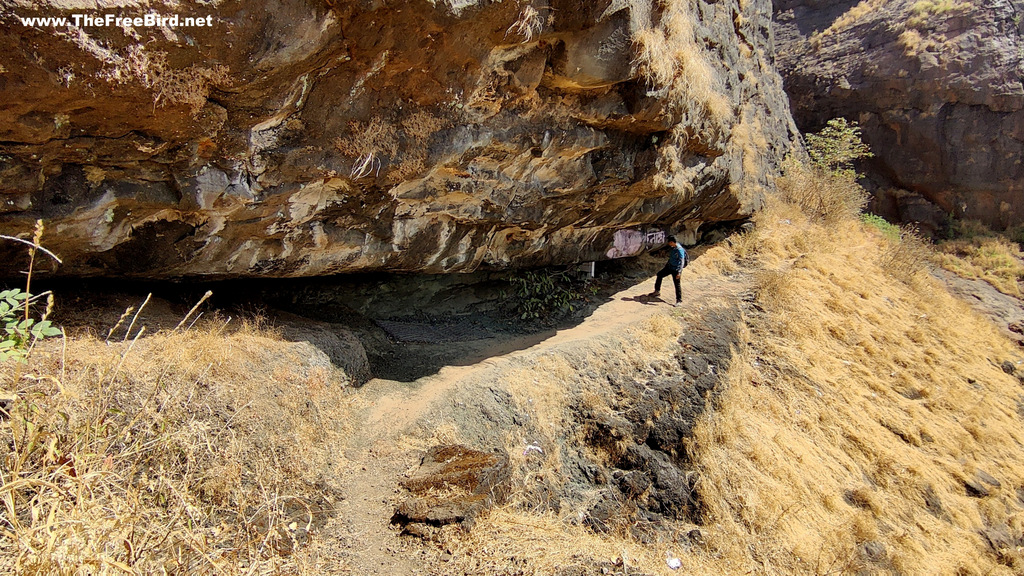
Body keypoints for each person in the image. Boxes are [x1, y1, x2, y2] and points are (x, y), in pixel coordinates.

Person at [649, 235, 686, 305]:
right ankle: (657, 291)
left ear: (672, 242)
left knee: (677, 284)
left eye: (669, 242)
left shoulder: (679, 249)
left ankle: (679, 300)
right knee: (659, 275)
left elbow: (682, 261)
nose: (668, 243)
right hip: (669, 267)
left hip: (676, 269)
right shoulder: (673, 247)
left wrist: (679, 272)